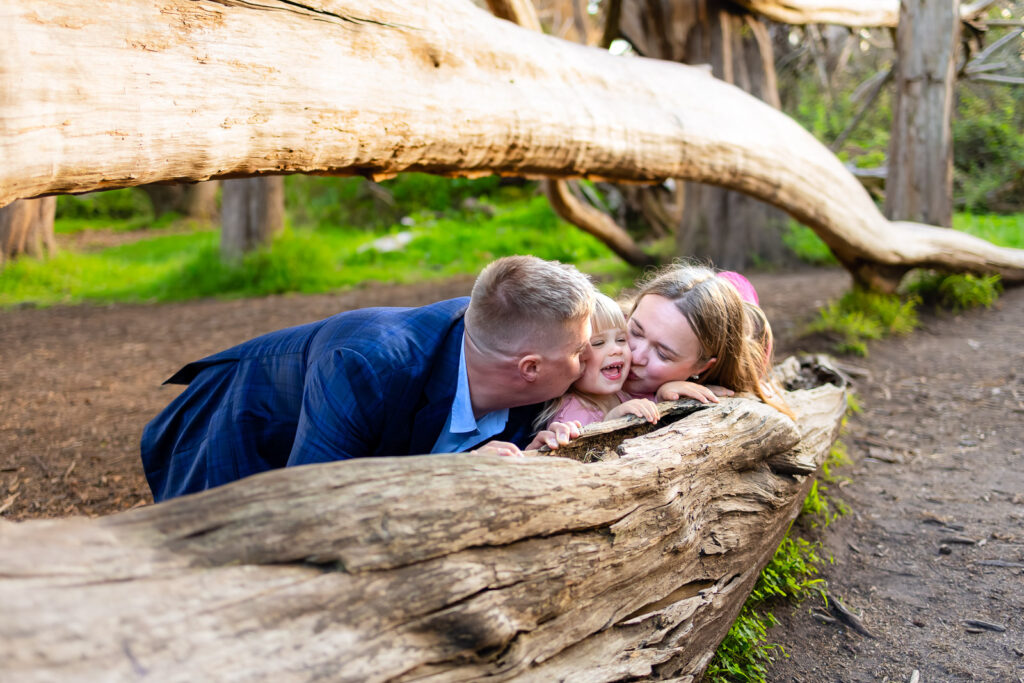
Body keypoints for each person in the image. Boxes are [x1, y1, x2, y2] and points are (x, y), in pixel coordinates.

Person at [141, 255, 595, 502]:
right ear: (529, 367)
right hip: (238, 429)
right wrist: (456, 470)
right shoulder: (366, 366)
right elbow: (314, 496)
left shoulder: (509, 354)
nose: (588, 356)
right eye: (579, 351)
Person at [622, 264, 792, 417]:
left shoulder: (732, 373)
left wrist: (666, 402)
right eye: (636, 332)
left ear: (702, 367)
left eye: (662, 354)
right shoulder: (601, 329)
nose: (636, 357)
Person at [534, 293, 660, 430]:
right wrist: (612, 420)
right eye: (598, 343)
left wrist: (665, 392)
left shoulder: (625, 393)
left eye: (621, 340)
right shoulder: (571, 416)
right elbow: (581, 449)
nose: (616, 349)